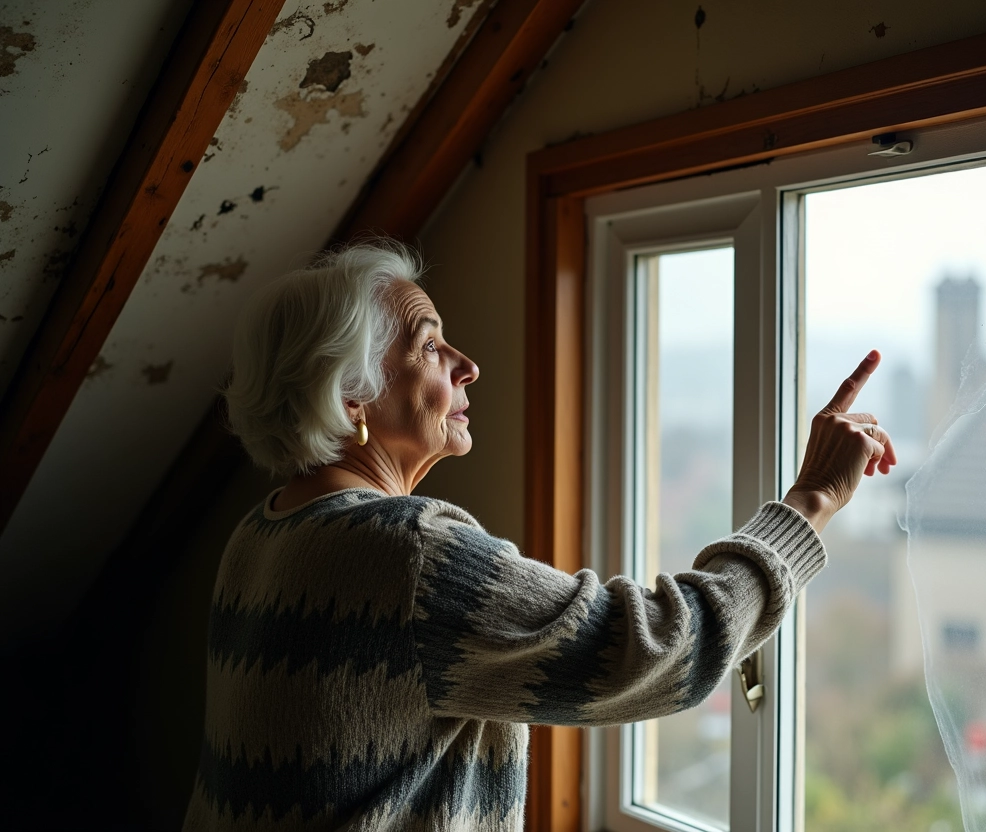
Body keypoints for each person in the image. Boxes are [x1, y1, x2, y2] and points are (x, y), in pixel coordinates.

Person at [182, 241, 896, 832]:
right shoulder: (406, 552)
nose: (469, 365)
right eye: (430, 346)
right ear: (352, 394)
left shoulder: (262, 529)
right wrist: (809, 504)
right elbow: (651, 649)